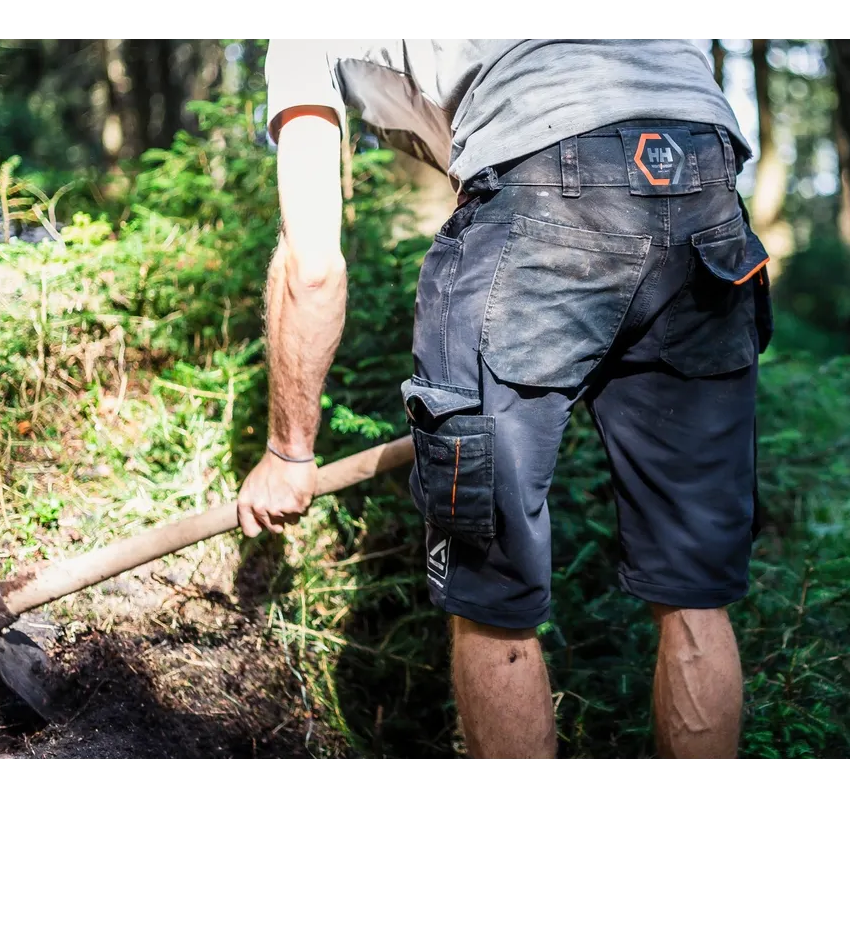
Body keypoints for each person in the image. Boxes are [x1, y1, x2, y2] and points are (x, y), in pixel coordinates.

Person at [237, 37, 772, 761]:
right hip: (706, 174)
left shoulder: (304, 33)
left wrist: (288, 450)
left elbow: (312, 267)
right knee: (694, 590)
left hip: (544, 185)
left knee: (492, 597)